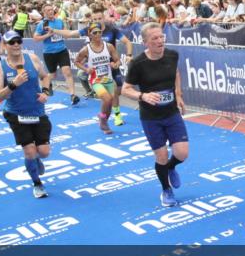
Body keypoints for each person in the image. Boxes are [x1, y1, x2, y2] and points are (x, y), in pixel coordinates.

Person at [121, 23, 189, 208]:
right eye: (155, 39)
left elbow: (175, 72)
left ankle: (171, 167)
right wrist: (143, 95)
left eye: (161, 37)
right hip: (151, 117)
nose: (160, 41)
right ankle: (166, 189)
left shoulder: (172, 55)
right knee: (161, 156)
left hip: (171, 112)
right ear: (145, 43)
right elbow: (126, 90)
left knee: (182, 153)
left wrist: (179, 94)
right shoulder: (137, 63)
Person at [0, 30, 54, 199]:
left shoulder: (32, 59)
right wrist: (13, 85)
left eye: (18, 41)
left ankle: (35, 161)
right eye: (12, 42)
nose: (16, 44)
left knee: (44, 151)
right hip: (16, 114)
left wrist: (46, 92)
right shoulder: (0, 67)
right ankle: (37, 183)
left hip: (37, 111)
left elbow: (45, 76)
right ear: (4, 46)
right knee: (29, 152)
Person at [74, 23, 120, 135]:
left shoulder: (109, 46)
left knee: (109, 103)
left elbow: (117, 60)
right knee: (107, 99)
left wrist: (116, 64)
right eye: (95, 32)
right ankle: (102, 120)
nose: (98, 34)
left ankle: (104, 121)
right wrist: (86, 69)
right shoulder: (86, 49)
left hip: (108, 79)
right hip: (96, 80)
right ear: (90, 35)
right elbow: (76, 62)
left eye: (100, 32)